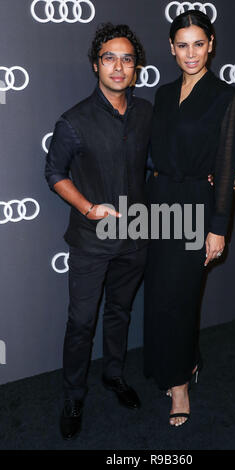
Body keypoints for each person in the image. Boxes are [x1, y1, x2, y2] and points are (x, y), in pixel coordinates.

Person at [45, 23, 153, 440]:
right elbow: (53, 172)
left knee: (120, 312)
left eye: (127, 58)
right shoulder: (73, 120)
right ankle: (74, 395)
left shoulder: (146, 113)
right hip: (92, 242)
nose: (119, 66)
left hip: (137, 237)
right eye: (110, 57)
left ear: (136, 67)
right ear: (96, 65)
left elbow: (157, 161)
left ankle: (113, 375)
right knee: (81, 321)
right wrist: (90, 208)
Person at [144, 10, 235, 427]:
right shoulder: (163, 95)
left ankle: (181, 383)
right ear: (171, 48)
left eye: (198, 44)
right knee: (158, 295)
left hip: (195, 205)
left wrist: (217, 228)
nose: (191, 53)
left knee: (181, 299)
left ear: (211, 45)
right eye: (182, 45)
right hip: (157, 203)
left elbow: (225, 168)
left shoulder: (227, 98)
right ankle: (172, 363)